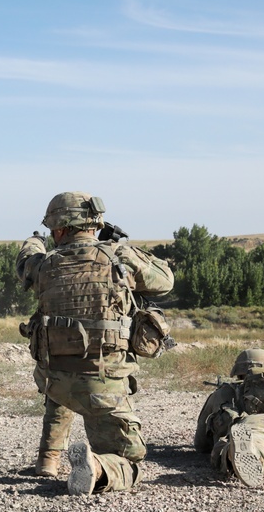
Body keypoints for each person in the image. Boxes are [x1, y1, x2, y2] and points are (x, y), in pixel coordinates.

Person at [16, 191, 174, 495]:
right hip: (103, 386)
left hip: (54, 381)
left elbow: (25, 261)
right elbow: (164, 281)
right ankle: (99, 468)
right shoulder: (118, 258)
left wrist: (35, 241)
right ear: (94, 223)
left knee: (63, 374)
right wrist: (123, 250)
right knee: (131, 461)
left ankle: (48, 460)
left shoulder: (42, 264)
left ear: (59, 229)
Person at [193, 348, 264, 454]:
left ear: (239, 370)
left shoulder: (224, 392)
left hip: (249, 449)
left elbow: (201, 443)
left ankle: (240, 451)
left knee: (227, 450)